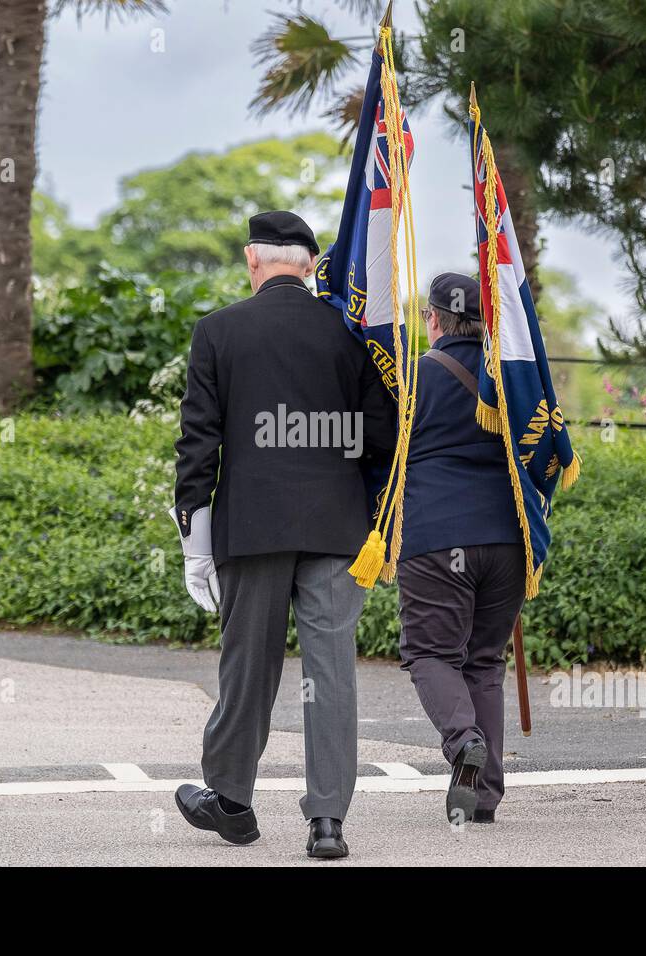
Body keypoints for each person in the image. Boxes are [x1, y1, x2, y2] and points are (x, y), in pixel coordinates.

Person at [169, 210, 394, 859]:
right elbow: (380, 439)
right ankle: (328, 822)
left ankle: (233, 802)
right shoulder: (352, 337)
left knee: (248, 667)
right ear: (311, 264)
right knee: (331, 673)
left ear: (252, 260)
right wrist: (378, 519)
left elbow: (199, 443)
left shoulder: (218, 331)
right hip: (338, 527)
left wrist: (195, 537)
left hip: (252, 525)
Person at [396, 272, 527, 825]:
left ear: (433, 319)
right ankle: (483, 795)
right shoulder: (515, 378)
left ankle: (462, 740)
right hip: (507, 541)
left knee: (430, 654)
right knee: (483, 663)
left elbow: (385, 454)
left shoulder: (414, 377)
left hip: (435, 538)